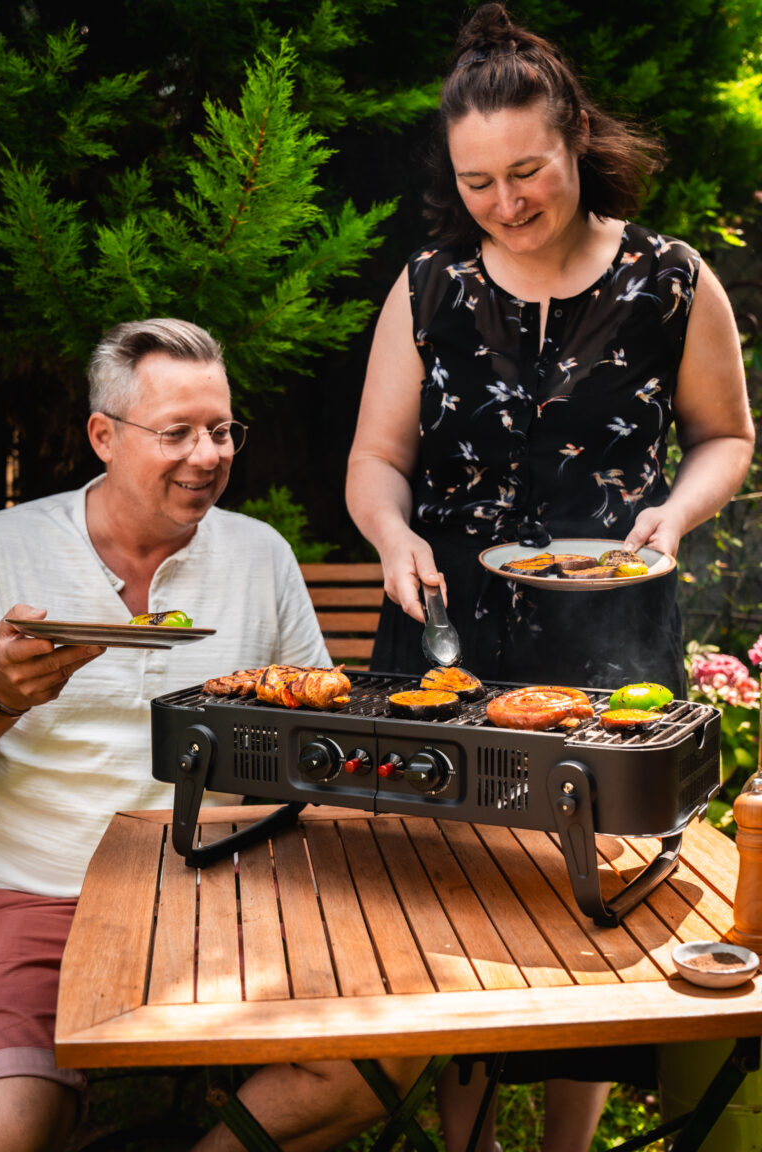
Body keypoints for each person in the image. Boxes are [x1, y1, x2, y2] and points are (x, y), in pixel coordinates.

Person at [345, 3, 755, 1150]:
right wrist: (391, 537)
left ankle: (565, 1143)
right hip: (445, 630)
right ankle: (469, 1130)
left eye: (528, 170)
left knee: (594, 900)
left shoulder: (672, 281)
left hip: (610, 617)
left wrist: (674, 510)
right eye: (479, 183)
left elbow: (727, 435)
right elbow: (377, 459)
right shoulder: (427, 286)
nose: (508, 203)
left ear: (576, 137)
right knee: (451, 892)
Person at [0, 318, 424, 1152]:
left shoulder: (259, 555)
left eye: (222, 430)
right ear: (103, 437)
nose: (209, 454)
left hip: (216, 889)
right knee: (10, 1129)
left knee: (381, 1058)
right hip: (40, 889)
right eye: (178, 432)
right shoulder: (6, 548)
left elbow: (317, 735)